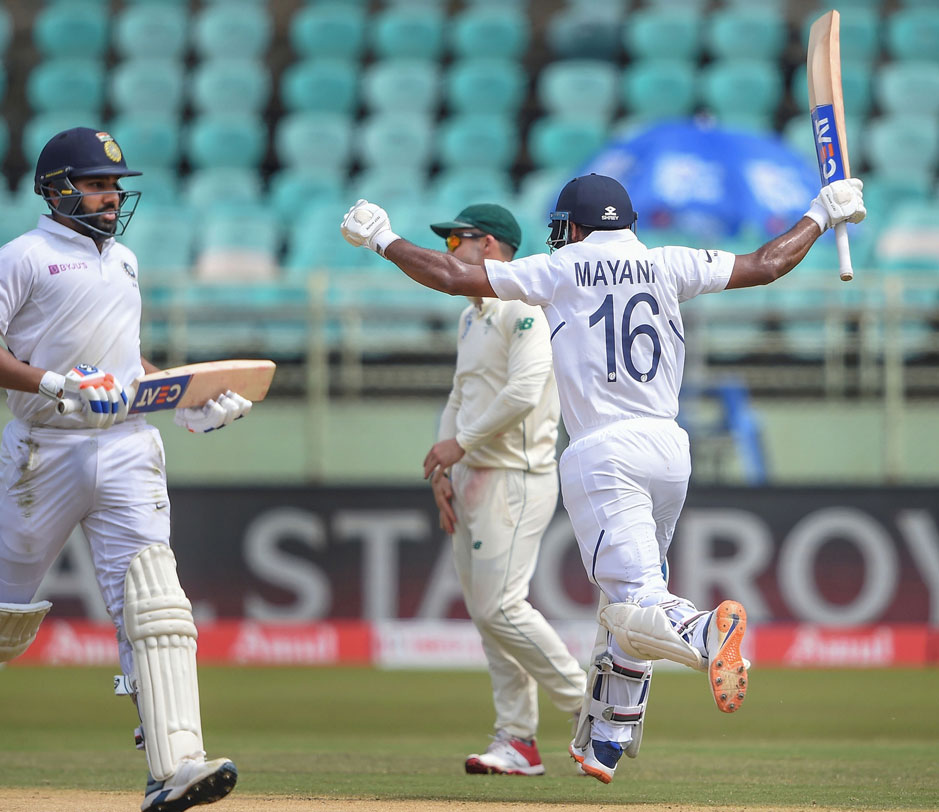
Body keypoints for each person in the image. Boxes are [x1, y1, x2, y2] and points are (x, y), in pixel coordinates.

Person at [339, 173, 866, 783]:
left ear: (575, 225)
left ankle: (702, 632)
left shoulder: (559, 269)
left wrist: (383, 239)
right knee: (626, 595)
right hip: (669, 448)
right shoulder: (669, 262)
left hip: (604, 450)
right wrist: (820, 214)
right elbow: (766, 264)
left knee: (636, 598)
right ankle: (608, 738)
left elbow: (454, 276)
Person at [0, 127, 250, 812]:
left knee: (154, 601)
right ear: (56, 189)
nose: (111, 197)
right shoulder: (24, 256)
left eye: (115, 186)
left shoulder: (124, 261)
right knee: (7, 609)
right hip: (46, 449)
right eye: (96, 185)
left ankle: (174, 765)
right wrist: (53, 382)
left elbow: (127, 364)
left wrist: (186, 399)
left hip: (127, 447)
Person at [423, 204, 586, 776]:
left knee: (500, 607)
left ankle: (589, 703)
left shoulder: (524, 305)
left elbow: (525, 389)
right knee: (487, 615)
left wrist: (460, 444)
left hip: (517, 474)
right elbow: (460, 393)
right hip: (472, 473)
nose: (448, 251)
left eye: (456, 241)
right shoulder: (470, 316)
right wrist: (445, 466)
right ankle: (517, 740)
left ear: (489, 245)